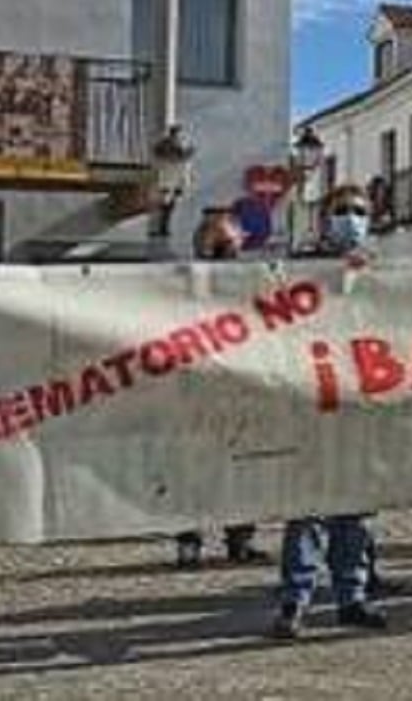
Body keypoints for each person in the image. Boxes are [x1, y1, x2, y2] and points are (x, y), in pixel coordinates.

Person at [271, 183, 391, 640]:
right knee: (309, 508)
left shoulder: (385, 268)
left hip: (361, 401)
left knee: (355, 511)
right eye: (342, 210)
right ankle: (295, 601)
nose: (350, 217)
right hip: (314, 399)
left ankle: (352, 597)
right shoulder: (301, 265)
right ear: (325, 218)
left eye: (358, 210)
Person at [174, 208, 265, 571]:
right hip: (195, 389)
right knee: (192, 468)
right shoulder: (182, 283)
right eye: (214, 244)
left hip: (238, 388)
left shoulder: (250, 283)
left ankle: (240, 539)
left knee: (242, 466)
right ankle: (189, 542)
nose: (222, 250)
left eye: (226, 243)